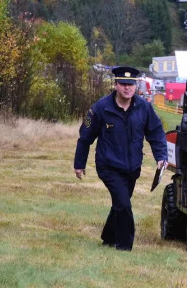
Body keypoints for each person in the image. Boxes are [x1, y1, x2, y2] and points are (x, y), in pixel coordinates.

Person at [74, 66, 168, 251]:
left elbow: (156, 133)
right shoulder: (101, 108)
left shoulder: (144, 108)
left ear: (136, 86)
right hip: (108, 166)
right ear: (116, 85)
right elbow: (85, 137)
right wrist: (79, 163)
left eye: (131, 84)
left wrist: (161, 156)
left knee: (120, 203)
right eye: (123, 84)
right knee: (124, 205)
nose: (127, 88)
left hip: (132, 168)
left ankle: (108, 237)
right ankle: (124, 246)